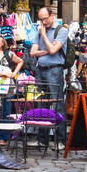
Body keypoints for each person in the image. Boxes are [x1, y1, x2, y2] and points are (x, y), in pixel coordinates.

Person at [30, 7, 69, 145]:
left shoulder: (62, 31)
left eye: (45, 18)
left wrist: (45, 37)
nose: (43, 22)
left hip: (54, 71)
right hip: (40, 70)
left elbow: (54, 50)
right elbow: (32, 52)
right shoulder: (39, 31)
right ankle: (42, 140)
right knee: (41, 105)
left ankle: (61, 140)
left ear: (52, 16)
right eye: (41, 19)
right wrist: (47, 50)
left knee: (57, 104)